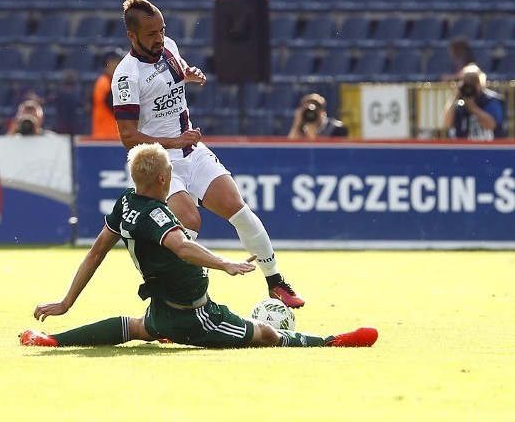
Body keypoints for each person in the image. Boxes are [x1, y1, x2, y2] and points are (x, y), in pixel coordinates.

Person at [19, 143, 377, 348]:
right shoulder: (158, 217)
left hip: (160, 309)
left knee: (136, 327)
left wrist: (66, 302)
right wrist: (227, 265)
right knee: (266, 334)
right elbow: (183, 248)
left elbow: (97, 252)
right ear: (163, 178)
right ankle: (334, 341)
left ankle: (53, 341)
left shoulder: (125, 203)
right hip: (194, 317)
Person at [110, 0, 305, 308]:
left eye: (162, 30)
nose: (159, 37)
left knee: (237, 208)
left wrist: (189, 73)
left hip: (191, 150)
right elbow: (128, 136)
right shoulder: (125, 76)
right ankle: (171, 296)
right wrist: (176, 141)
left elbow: (174, 72)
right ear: (132, 36)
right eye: (151, 34)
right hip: (161, 162)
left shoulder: (168, 46)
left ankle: (275, 281)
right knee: (190, 221)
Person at [443, 63, 506, 141]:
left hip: (489, 148)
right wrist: (455, 97)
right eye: (466, 81)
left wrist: (473, 108)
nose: (469, 85)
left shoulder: (491, 100)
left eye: (473, 80)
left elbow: (491, 125)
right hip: (464, 148)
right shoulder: (460, 103)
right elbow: (447, 123)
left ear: (480, 83)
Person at [91, 48, 125, 138]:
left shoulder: (111, 81)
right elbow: (118, 107)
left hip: (113, 136)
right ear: (108, 64)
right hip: (106, 137)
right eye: (116, 61)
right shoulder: (104, 83)